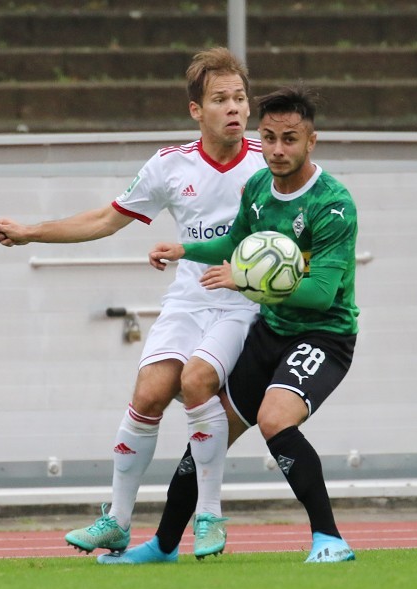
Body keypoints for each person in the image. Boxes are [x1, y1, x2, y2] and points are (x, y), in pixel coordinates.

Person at [0, 48, 265, 555]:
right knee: (148, 394)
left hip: (239, 303)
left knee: (198, 380)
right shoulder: (169, 166)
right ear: (195, 111)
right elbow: (103, 220)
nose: (234, 108)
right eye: (220, 99)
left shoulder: (267, 164)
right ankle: (116, 520)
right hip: (187, 301)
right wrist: (31, 232)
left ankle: (210, 517)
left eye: (240, 98)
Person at [101, 84, 359, 564]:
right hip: (271, 331)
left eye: (290, 139)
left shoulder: (333, 204)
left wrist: (243, 280)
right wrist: (186, 250)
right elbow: (236, 243)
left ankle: (330, 539)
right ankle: (162, 546)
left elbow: (322, 293)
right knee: (212, 427)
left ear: (311, 142)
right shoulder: (259, 187)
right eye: (271, 138)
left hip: (323, 334)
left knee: (275, 418)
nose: (278, 150)